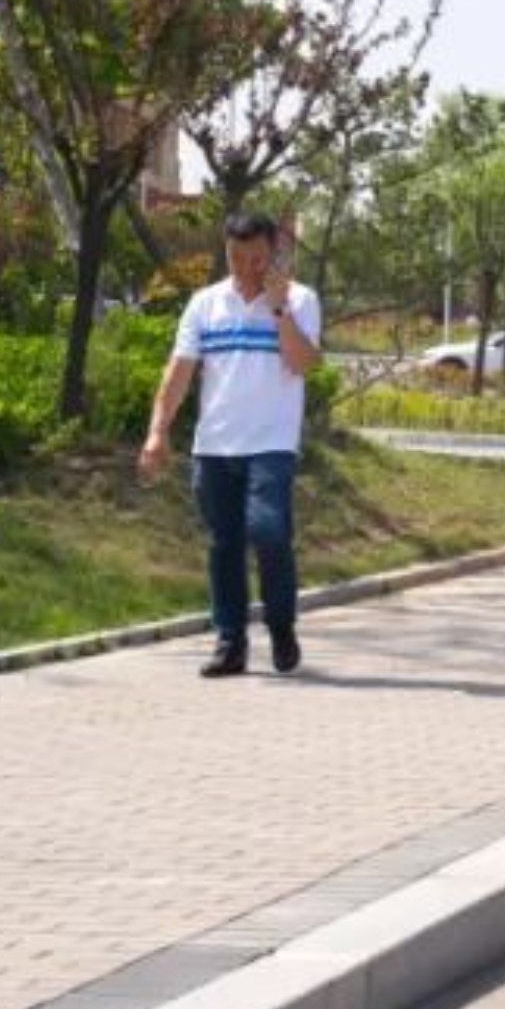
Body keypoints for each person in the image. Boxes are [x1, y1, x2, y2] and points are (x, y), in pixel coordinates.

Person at [141, 212, 323, 678]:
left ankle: (280, 626)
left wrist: (279, 310)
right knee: (223, 544)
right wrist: (158, 431)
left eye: (256, 259)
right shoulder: (205, 304)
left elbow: (302, 363)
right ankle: (230, 642)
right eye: (236, 257)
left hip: (272, 443)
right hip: (215, 445)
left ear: (274, 254)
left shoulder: (301, 299)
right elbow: (179, 371)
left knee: (269, 532)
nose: (245, 268)